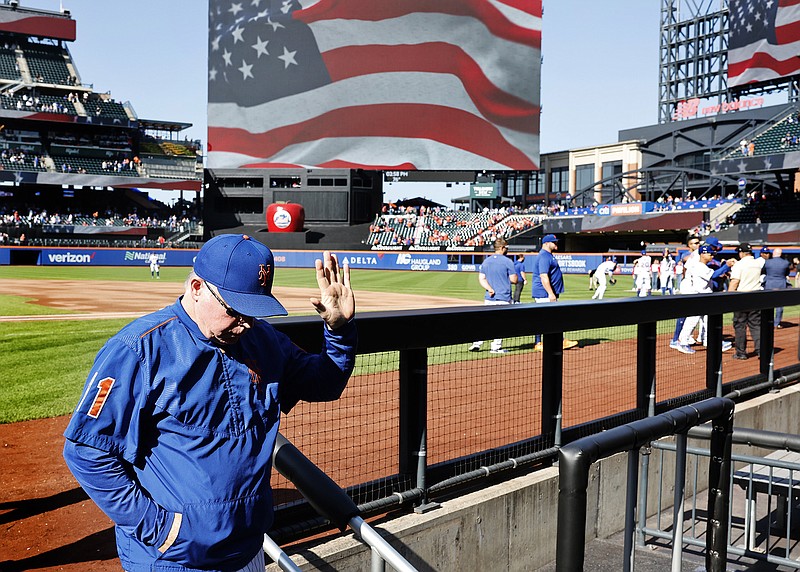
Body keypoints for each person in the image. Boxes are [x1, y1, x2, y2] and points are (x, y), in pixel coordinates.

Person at [62, 234, 357, 572]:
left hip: (247, 551)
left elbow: (326, 383)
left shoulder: (262, 340)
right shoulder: (140, 349)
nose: (245, 323)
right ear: (198, 287)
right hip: (173, 560)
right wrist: (159, 529)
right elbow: (86, 450)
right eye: (235, 310)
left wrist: (339, 329)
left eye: (253, 311)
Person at [530, 234, 578, 351]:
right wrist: (550, 293)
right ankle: (540, 342)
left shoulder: (548, 255)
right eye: (554, 242)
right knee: (546, 318)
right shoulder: (544, 256)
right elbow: (543, 276)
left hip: (547, 292)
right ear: (546, 243)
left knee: (550, 317)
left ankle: (557, 341)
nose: (556, 244)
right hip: (544, 293)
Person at [469, 238, 517, 353]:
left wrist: (490, 289)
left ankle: (477, 343)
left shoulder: (487, 261)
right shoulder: (507, 261)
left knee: (486, 322)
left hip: (489, 297)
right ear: (501, 248)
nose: (507, 250)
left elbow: (481, 278)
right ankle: (496, 347)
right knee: (500, 323)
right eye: (506, 248)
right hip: (503, 297)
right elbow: (514, 279)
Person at [729, 242, 763, 360]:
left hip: (742, 296)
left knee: (740, 325)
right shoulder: (757, 263)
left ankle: (741, 352)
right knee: (756, 325)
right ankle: (761, 350)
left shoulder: (739, 264)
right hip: (756, 296)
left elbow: (734, 282)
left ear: (741, 253)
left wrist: (728, 297)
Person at [762, 247, 790, 328]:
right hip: (781, 284)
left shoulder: (768, 262)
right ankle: (776, 323)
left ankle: (767, 321)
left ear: (774, 253)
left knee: (767, 304)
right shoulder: (785, 262)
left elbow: (763, 271)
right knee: (780, 305)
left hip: (769, 284)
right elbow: (787, 273)